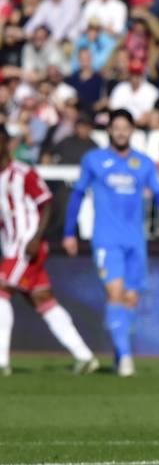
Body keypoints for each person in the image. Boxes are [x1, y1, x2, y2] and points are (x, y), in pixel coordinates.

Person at [61, 110, 159, 376]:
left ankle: (121, 353)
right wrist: (68, 232)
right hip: (106, 240)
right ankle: (126, 359)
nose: (121, 132)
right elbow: (76, 196)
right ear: (109, 130)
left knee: (131, 299)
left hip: (135, 241)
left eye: (125, 127)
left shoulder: (143, 164)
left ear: (132, 130)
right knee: (114, 293)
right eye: (116, 127)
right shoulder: (94, 160)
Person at [0, 124, 100, 376]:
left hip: (25, 246)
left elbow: (47, 204)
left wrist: (36, 237)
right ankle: (85, 357)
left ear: (6, 142)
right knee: (43, 301)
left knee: (1, 292)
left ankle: (1, 360)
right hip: (11, 246)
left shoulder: (23, 173)